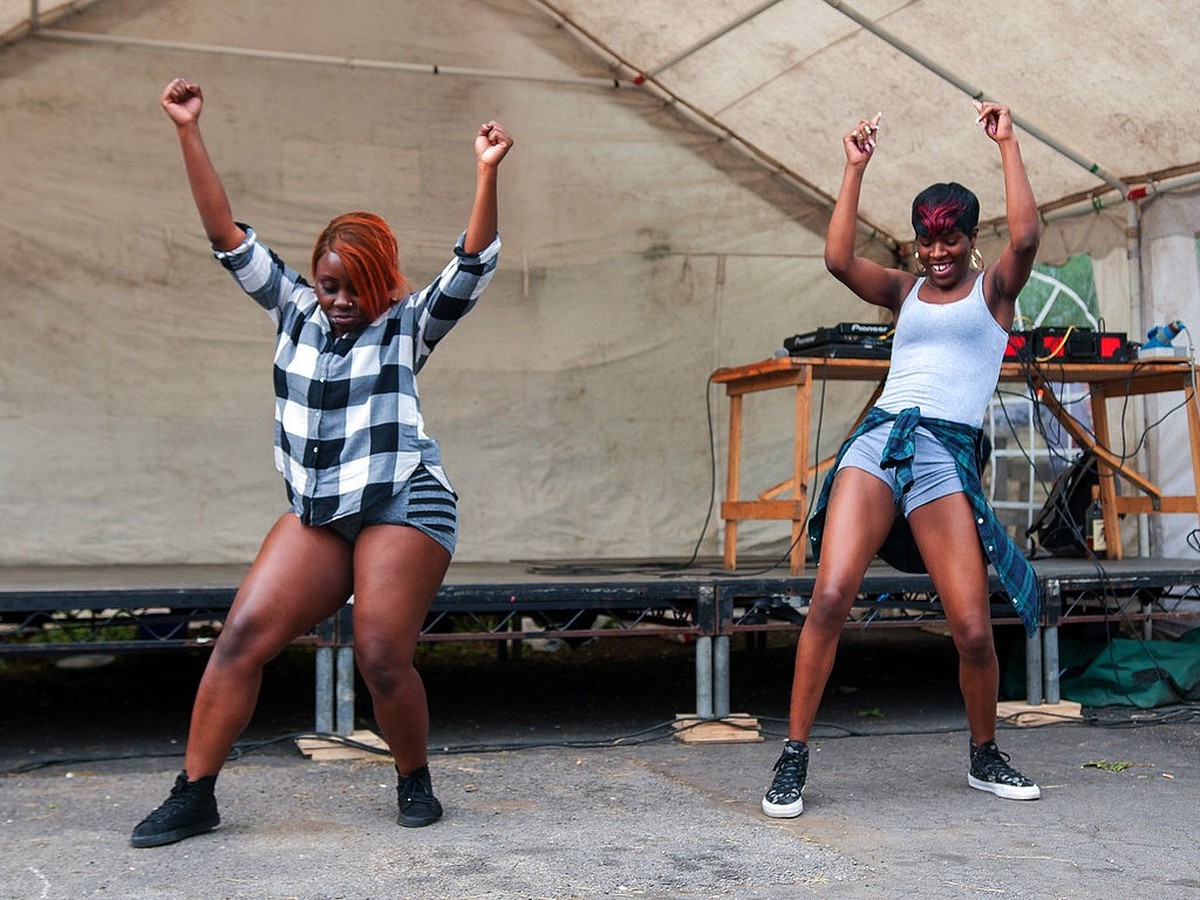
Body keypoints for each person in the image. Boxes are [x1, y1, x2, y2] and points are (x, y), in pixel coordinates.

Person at [131, 78, 513, 848]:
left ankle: (413, 777)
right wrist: (187, 131)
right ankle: (194, 793)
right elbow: (224, 235)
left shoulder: (408, 325)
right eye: (329, 283)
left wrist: (486, 172)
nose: (337, 300)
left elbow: (471, 263)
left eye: (352, 287)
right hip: (321, 510)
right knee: (240, 637)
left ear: (381, 282)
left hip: (404, 500)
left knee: (378, 651)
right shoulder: (293, 307)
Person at [761, 101, 1042, 819]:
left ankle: (985, 754)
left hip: (944, 451)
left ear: (970, 238)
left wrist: (1008, 144)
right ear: (916, 242)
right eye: (927, 241)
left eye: (949, 240)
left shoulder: (994, 289)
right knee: (829, 596)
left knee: (974, 629)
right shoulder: (904, 289)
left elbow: (1029, 233)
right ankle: (792, 756)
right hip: (882, 439)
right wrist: (854, 169)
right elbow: (835, 259)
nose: (938, 253)